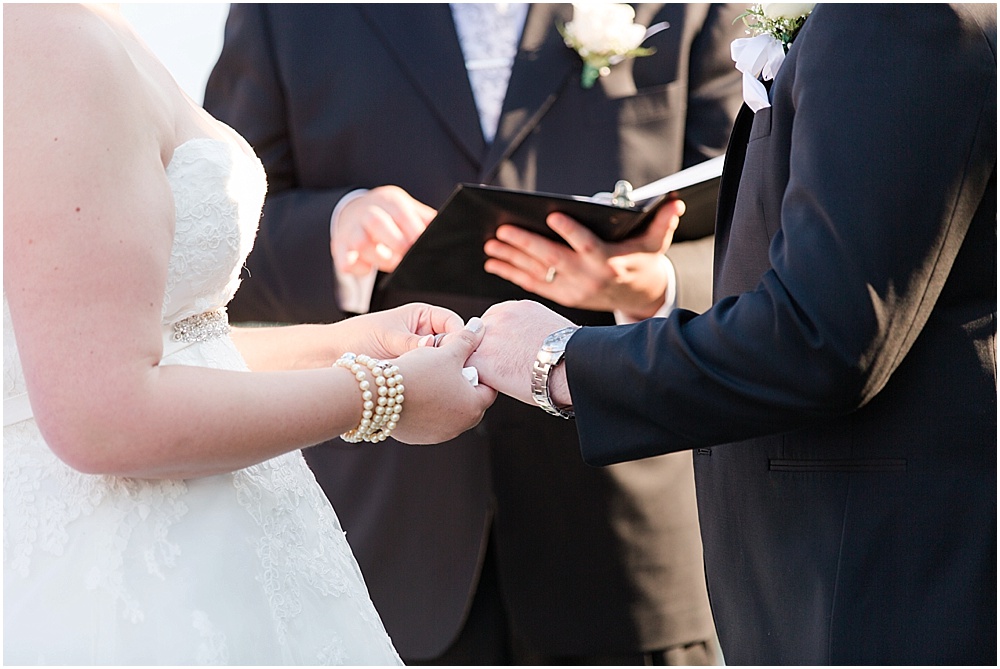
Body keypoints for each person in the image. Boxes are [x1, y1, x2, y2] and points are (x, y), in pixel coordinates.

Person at [203, 3, 745, 664]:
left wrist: (653, 282)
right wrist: (335, 226)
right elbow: (207, 245)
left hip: (629, 539)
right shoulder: (284, 13)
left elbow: (759, 225)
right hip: (390, 532)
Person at [469, 3, 997, 665]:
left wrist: (563, 359)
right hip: (823, 577)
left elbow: (819, 337)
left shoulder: (893, 17)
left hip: (884, 585)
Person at [2, 4, 495, 664]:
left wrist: (346, 343)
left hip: (219, 555)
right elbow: (102, 415)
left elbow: (170, 343)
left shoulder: (82, 24)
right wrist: (381, 394)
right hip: (126, 580)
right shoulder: (46, 40)